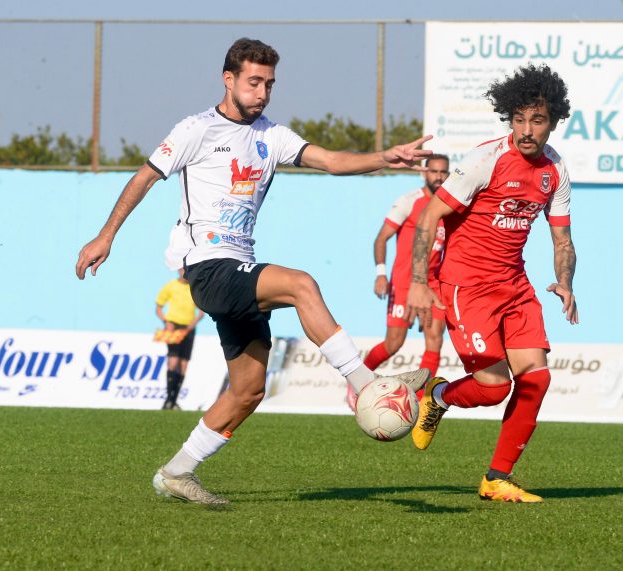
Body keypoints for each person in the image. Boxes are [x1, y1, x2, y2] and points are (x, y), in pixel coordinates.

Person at [76, 38, 432, 505]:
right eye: (254, 82)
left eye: (270, 84)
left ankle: (176, 472)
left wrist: (384, 157)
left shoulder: (272, 135)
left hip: (238, 267)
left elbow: (331, 161)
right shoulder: (195, 129)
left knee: (247, 391)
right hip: (208, 266)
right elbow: (144, 177)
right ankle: (365, 385)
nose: (262, 92)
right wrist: (105, 236)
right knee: (301, 284)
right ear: (229, 80)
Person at [406, 63, 577, 503]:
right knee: (494, 387)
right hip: (467, 287)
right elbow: (430, 215)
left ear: (554, 121)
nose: (526, 130)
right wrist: (420, 281)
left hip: (515, 285)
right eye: (519, 119)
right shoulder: (485, 160)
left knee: (536, 379)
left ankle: (497, 478)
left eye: (537, 120)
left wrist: (565, 282)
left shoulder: (555, 170)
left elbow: (562, 239)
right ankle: (438, 396)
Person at [346, 155, 450, 411]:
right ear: (424, 173)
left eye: (443, 172)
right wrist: (381, 273)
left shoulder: (450, 205)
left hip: (434, 284)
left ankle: (421, 401)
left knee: (435, 339)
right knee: (393, 343)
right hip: (404, 283)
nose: (438, 176)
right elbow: (381, 238)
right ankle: (357, 382)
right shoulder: (409, 201)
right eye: (434, 171)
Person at [155, 267, 205, 410]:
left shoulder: (194, 288)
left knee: (183, 364)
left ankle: (173, 400)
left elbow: (201, 311)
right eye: (183, 270)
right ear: (178, 270)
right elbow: (158, 308)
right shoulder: (171, 286)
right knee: (173, 361)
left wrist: (194, 323)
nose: (184, 273)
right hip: (173, 327)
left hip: (188, 328)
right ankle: (168, 399)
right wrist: (166, 322)